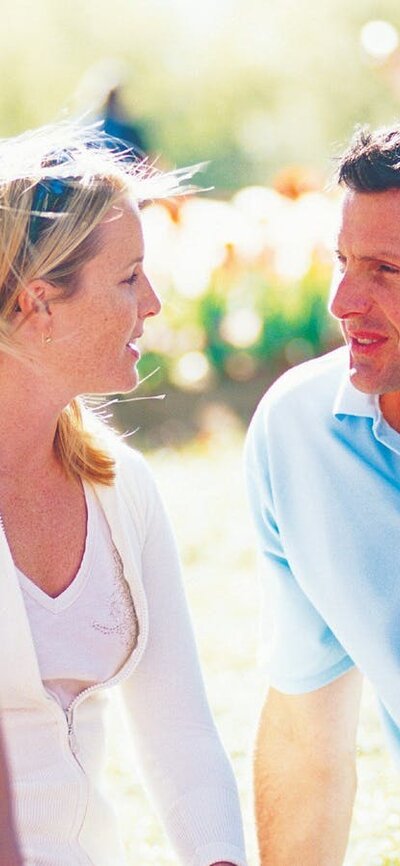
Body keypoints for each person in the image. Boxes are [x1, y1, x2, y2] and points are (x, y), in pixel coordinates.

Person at [0, 121, 247, 866]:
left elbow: (180, 732)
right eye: (128, 276)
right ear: (40, 303)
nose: (155, 303)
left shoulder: (121, 488)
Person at [245, 122, 400, 865]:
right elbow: (308, 739)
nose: (342, 301)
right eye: (343, 261)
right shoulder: (298, 434)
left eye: (386, 271)